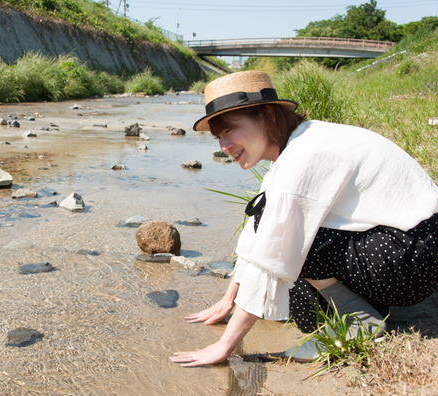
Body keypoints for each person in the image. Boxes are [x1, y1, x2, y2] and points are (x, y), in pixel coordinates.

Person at [169, 70, 438, 366]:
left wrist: (224, 346)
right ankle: (365, 308)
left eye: (231, 130)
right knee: (305, 311)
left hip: (414, 258)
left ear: (268, 115)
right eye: (219, 136)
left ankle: (362, 321)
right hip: (407, 247)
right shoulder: (300, 141)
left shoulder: (303, 157)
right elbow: (257, 228)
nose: (224, 146)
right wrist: (228, 298)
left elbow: (273, 250)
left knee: (291, 243)